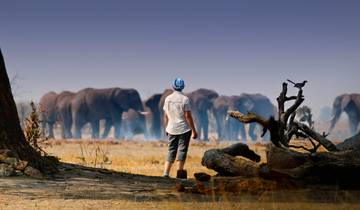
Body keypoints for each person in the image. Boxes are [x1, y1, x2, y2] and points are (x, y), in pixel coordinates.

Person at [162, 78, 197, 179]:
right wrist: (194, 131)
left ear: (173, 86)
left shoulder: (167, 98)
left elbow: (166, 116)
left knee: (171, 150)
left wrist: (166, 128)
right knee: (182, 150)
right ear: (183, 87)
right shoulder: (185, 99)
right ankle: (179, 173)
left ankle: (166, 173)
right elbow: (188, 116)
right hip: (184, 129)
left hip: (171, 129)